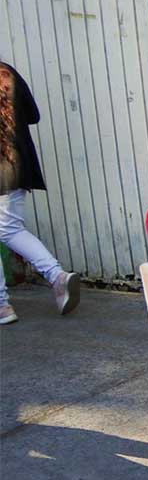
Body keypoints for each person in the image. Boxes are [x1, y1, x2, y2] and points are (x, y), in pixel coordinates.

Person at [0, 61, 80, 323]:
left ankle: (2, 305)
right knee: (10, 228)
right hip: (18, 164)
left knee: (7, 229)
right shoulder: (6, 71)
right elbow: (33, 115)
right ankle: (57, 276)